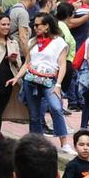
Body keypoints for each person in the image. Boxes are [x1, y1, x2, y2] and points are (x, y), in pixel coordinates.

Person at [18, 17, 70, 147]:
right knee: (34, 115)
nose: (35, 28)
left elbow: (62, 65)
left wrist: (58, 85)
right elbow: (27, 63)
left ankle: (64, 144)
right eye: (34, 25)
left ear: (47, 26)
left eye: (37, 25)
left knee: (56, 108)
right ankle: (37, 143)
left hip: (50, 80)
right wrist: (17, 77)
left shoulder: (59, 42)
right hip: (31, 80)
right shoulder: (32, 41)